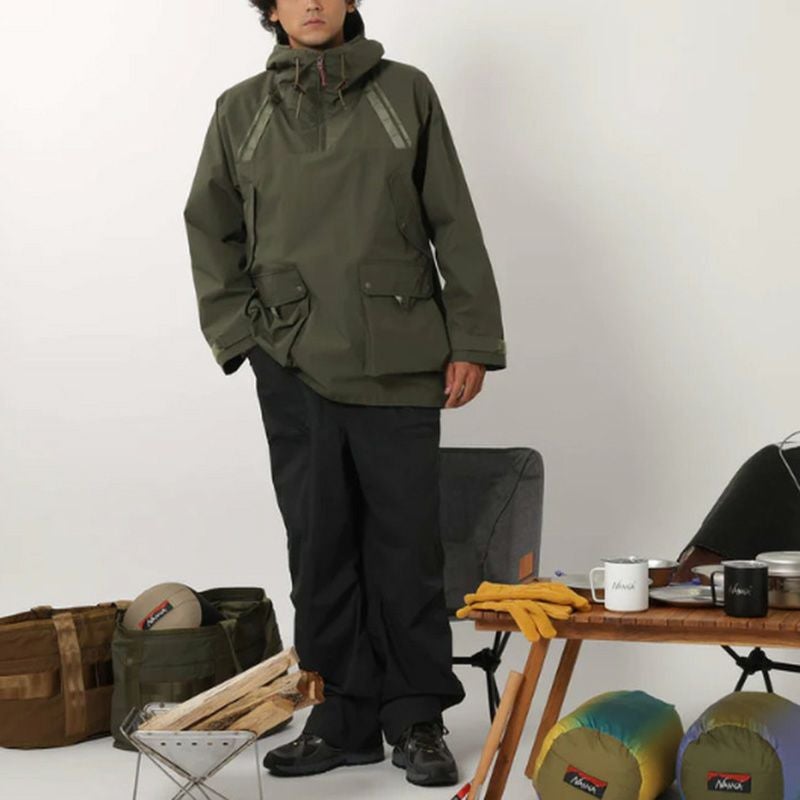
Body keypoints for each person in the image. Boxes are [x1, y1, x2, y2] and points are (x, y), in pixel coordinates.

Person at [183, 0, 507, 788]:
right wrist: (244, 337)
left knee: (408, 549)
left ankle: (418, 718)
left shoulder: (406, 93)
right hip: (291, 362)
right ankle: (341, 717)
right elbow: (209, 228)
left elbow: (453, 219)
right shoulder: (240, 110)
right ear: (271, 10)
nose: (313, 3)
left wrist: (472, 340)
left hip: (400, 357)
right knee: (319, 549)